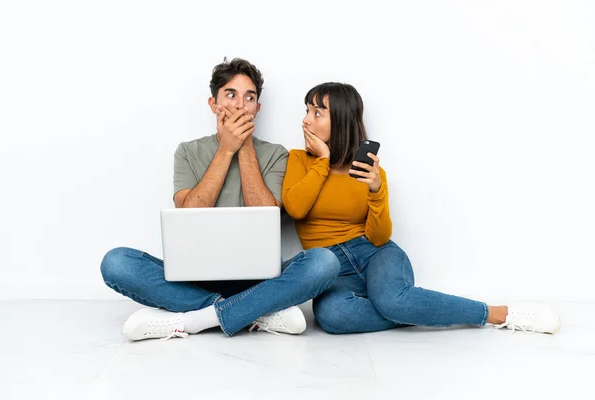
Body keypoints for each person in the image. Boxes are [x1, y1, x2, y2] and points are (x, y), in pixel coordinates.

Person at [282, 82, 561, 335]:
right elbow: (296, 208)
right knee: (334, 317)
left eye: (317, 113)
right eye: (307, 110)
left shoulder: (371, 173)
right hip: (329, 267)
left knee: (391, 299)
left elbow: (379, 238)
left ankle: (499, 314)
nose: (306, 120)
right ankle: (414, 308)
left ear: (341, 121)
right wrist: (322, 161)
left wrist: (377, 190)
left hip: (375, 255)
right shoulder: (299, 160)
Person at [100, 59, 340, 341]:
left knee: (325, 261)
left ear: (257, 109)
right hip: (195, 279)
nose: (240, 105)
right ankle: (255, 312)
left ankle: (195, 320)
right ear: (213, 104)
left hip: (261, 279)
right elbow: (188, 213)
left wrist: (244, 146)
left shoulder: (276, 154)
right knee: (116, 263)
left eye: (249, 97)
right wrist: (226, 150)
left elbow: (267, 214)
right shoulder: (188, 152)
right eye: (230, 95)